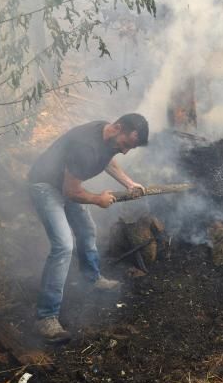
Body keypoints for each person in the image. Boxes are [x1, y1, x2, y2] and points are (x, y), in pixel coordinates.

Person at [28, 114, 149, 342]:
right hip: (45, 186)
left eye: (129, 148)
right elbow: (71, 192)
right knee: (64, 245)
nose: (124, 152)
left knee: (86, 229)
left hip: (63, 185)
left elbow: (108, 161)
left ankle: (91, 278)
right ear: (117, 128)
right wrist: (97, 200)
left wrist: (129, 183)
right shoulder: (86, 147)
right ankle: (45, 318)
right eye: (125, 145)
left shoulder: (107, 135)